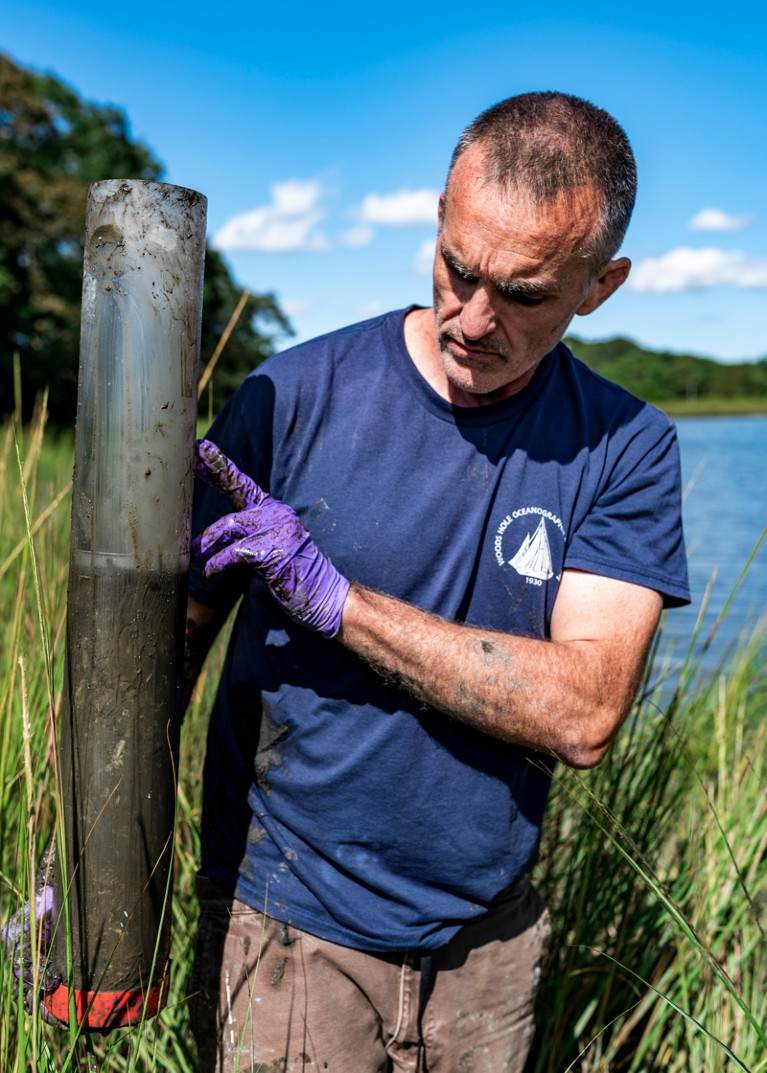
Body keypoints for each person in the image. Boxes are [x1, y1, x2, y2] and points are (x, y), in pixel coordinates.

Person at [184, 91, 690, 1073]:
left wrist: (334, 602)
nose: (472, 317)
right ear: (437, 220)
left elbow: (583, 711)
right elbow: (166, 648)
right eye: (457, 268)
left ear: (600, 284)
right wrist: (90, 868)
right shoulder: (285, 399)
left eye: (525, 292)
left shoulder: (626, 445)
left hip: (489, 949)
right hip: (289, 929)